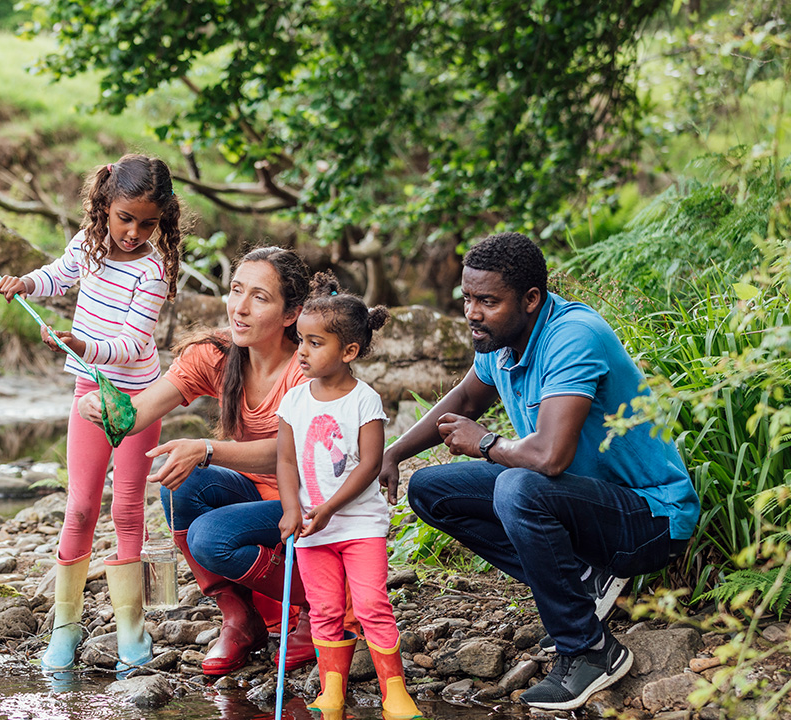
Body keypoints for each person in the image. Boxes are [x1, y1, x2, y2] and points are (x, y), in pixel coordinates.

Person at [381, 232, 700, 711]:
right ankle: (583, 581)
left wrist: (486, 443)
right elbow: (466, 399)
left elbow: (550, 458)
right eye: (467, 298)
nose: (472, 313)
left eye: (488, 301)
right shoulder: (498, 339)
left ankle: (590, 651)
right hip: (581, 502)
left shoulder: (573, 336)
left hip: (649, 518)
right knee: (430, 488)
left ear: (531, 299)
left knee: (518, 487)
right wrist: (393, 453)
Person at [78, 246, 319, 675]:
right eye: (236, 290)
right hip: (257, 497)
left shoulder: (308, 366)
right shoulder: (216, 353)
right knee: (181, 485)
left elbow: (293, 454)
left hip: (312, 504)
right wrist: (101, 404)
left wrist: (206, 449)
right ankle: (240, 619)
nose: (239, 308)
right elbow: (136, 414)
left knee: (210, 538)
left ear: (291, 314)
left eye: (259, 298)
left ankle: (320, 601)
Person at [0, 154, 183, 671]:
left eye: (148, 223)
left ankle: (131, 629)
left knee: (126, 508)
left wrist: (82, 344)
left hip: (138, 399)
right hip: (89, 391)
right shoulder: (87, 244)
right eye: (125, 218)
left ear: (162, 220)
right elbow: (59, 276)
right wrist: (26, 283)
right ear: (105, 206)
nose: (134, 232)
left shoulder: (153, 270)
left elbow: (133, 343)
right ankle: (66, 626)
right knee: (79, 507)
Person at [275, 273, 421, 720]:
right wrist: (292, 508)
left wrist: (329, 508)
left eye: (315, 343)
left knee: (372, 604)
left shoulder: (364, 401)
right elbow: (286, 462)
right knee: (324, 608)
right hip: (311, 529)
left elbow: (370, 465)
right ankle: (331, 691)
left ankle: (394, 691)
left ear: (349, 351)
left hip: (358, 526)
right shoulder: (294, 402)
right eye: (300, 340)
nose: (302, 351)